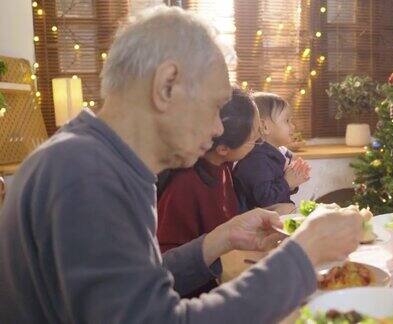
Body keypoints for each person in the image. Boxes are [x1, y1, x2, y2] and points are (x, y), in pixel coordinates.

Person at [0, 6, 363, 323]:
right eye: (214, 106)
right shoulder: (84, 175)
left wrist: (220, 237)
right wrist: (303, 255)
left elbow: (141, 287)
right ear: (167, 85)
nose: (220, 128)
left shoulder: (107, 161)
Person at [156, 87, 260, 296]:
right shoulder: (185, 184)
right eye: (254, 139)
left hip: (219, 274)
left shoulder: (223, 166)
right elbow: (165, 268)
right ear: (223, 148)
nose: (258, 144)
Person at [234, 92, 311, 212]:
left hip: (266, 213)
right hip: (250, 218)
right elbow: (264, 199)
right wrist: (287, 183)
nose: (293, 126)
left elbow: (276, 191)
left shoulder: (275, 154)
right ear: (264, 127)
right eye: (287, 121)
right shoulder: (256, 159)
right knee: (288, 209)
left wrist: (293, 182)